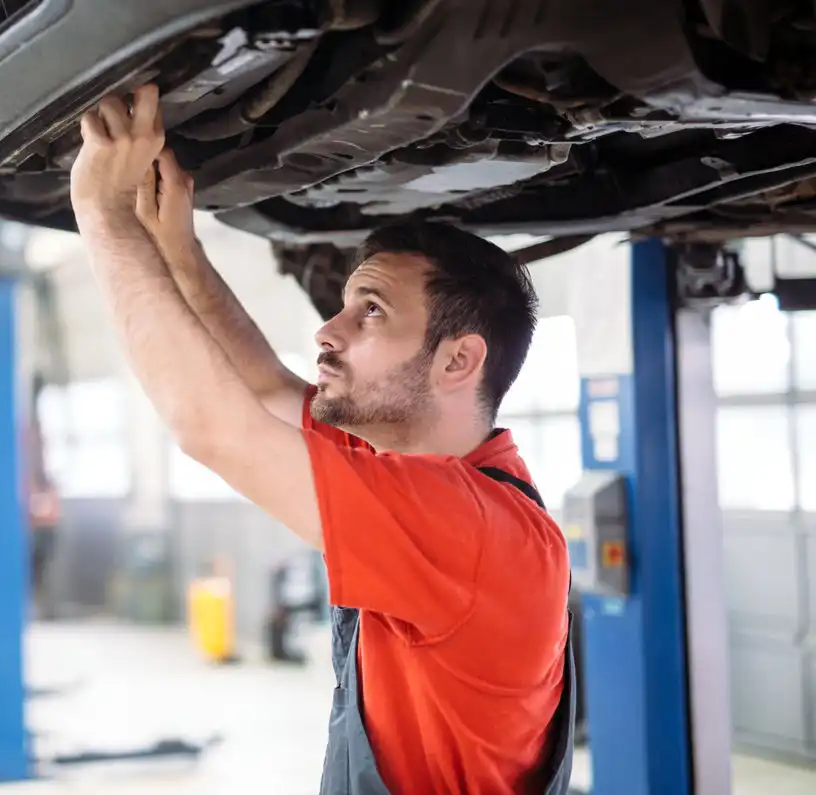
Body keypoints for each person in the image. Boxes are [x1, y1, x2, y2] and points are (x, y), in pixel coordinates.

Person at [68, 84, 575, 795]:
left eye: (369, 312)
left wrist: (102, 213)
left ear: (457, 360)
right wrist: (180, 253)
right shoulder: (409, 463)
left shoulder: (472, 529)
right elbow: (265, 389)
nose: (327, 332)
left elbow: (214, 425)